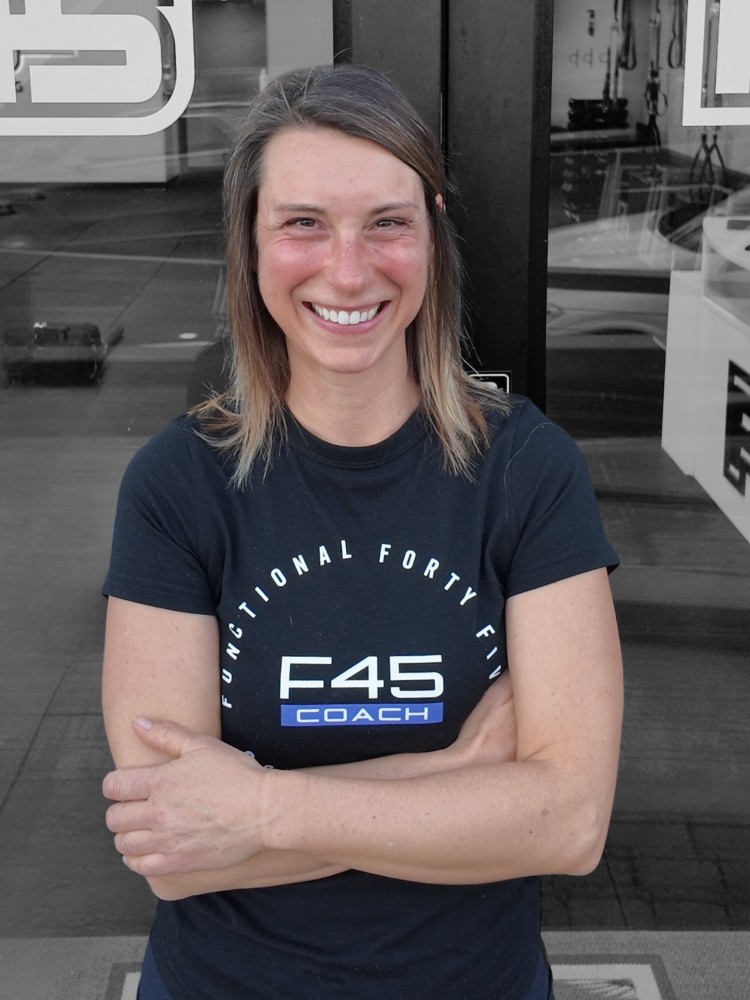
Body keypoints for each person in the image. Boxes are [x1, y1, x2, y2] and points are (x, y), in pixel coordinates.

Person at [101, 64, 623, 1000]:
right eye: (303, 222)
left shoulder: (526, 469)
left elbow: (570, 823)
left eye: (386, 222)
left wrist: (259, 806)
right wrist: (459, 775)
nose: (348, 270)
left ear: (430, 236)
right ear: (251, 242)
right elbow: (172, 851)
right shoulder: (178, 486)